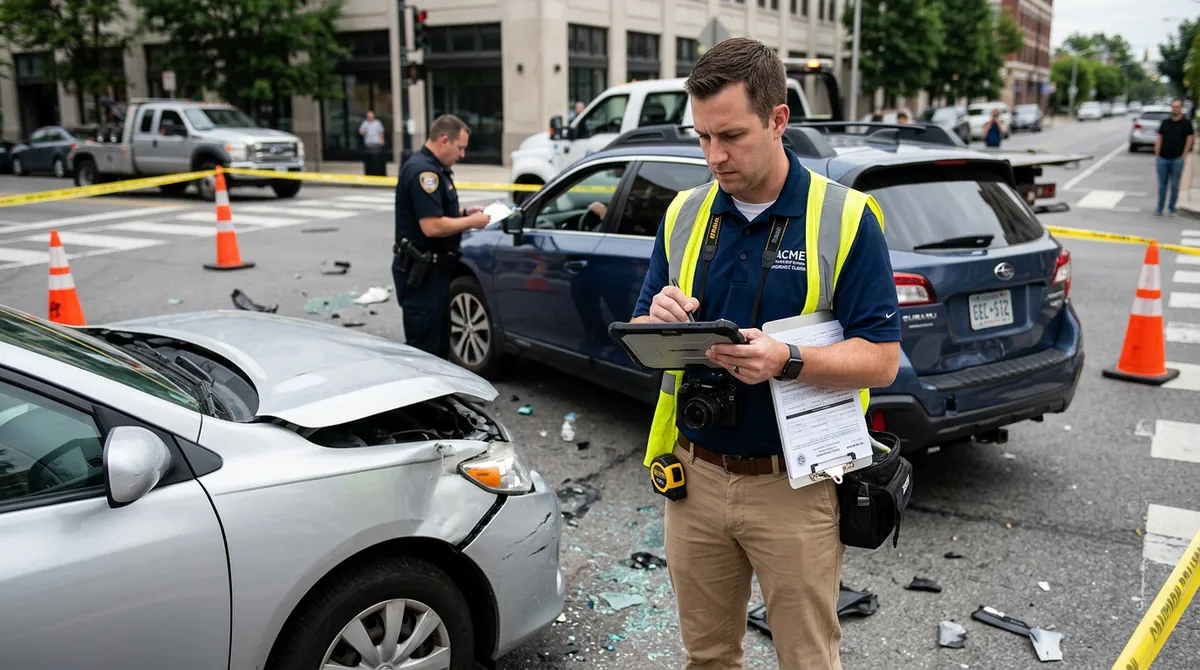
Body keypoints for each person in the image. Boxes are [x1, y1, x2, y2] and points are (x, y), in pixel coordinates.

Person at [629, 37, 901, 670]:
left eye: (731, 136)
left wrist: (789, 360)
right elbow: (644, 334)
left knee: (807, 659)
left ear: (779, 119)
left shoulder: (846, 218)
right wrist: (657, 321)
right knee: (707, 656)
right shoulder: (684, 213)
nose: (714, 156)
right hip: (693, 477)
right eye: (701, 138)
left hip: (795, 485)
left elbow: (882, 360)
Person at [393, 114, 490, 358]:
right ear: (444, 140)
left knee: (439, 349)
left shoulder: (434, 169)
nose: (462, 155)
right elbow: (431, 226)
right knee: (426, 354)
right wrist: (472, 222)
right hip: (423, 277)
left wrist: (465, 212)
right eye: (460, 148)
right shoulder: (424, 172)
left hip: (435, 274)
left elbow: (434, 213)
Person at [1154, 98, 1195, 217]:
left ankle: (1172, 208)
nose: (1175, 109)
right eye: (1173, 107)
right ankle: (1160, 208)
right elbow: (1159, 137)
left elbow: (1190, 138)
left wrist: (1184, 154)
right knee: (1162, 185)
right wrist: (1157, 153)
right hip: (1163, 158)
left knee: (1175, 184)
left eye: (1177, 107)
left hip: (1177, 158)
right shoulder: (1165, 122)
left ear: (1181, 108)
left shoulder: (1186, 123)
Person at [359, 110, 387, 176]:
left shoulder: (378, 123)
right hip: (368, 144)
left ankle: (377, 172)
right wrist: (364, 132)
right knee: (369, 160)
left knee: (377, 159)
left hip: (376, 143)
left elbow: (381, 131)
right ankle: (370, 172)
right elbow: (360, 131)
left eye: (371, 116)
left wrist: (382, 140)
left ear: (373, 116)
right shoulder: (365, 123)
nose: (370, 117)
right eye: (369, 116)